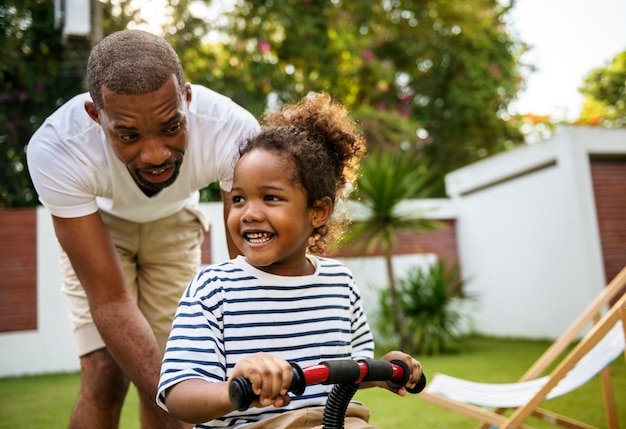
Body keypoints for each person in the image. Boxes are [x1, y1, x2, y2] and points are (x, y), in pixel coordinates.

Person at [26, 29, 259, 428]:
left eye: (171, 128)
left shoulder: (232, 132)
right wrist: (183, 403)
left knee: (177, 364)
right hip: (98, 227)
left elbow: (248, 278)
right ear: (96, 117)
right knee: (106, 373)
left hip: (174, 228)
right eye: (129, 135)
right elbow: (110, 301)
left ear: (187, 98)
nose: (155, 155)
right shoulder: (58, 148)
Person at [156, 93, 424, 428]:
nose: (249, 213)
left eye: (270, 198)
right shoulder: (214, 289)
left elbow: (352, 367)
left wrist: (382, 370)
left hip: (337, 420)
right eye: (238, 198)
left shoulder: (339, 283)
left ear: (318, 211)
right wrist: (235, 390)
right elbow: (178, 395)